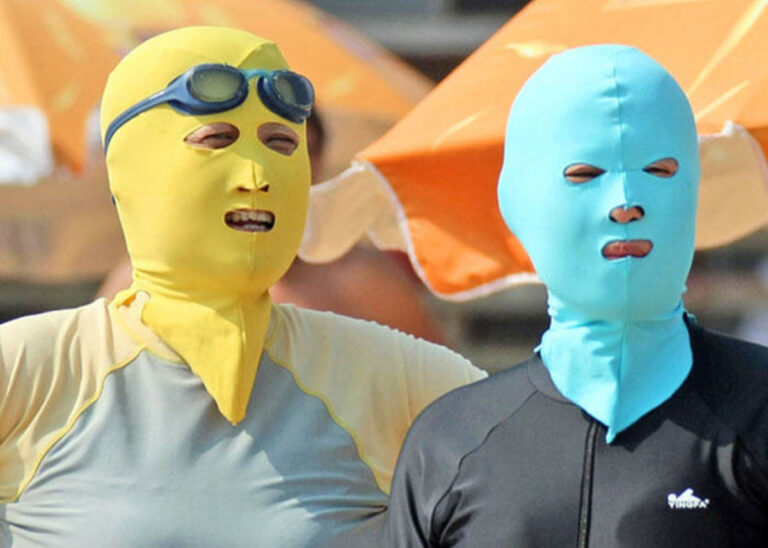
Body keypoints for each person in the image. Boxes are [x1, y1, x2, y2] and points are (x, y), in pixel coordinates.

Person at [0, 27, 485, 546]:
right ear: (132, 168)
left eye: (282, 144)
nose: (257, 175)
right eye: (217, 140)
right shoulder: (29, 369)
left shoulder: (390, 371)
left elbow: (525, 460)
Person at [384, 45, 768, 547]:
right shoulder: (450, 442)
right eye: (585, 174)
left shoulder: (759, 410)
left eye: (659, 170)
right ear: (519, 200)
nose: (626, 204)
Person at [97, 109, 448, 344]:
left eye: (285, 146)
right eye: (232, 147)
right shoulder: (143, 279)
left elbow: (440, 404)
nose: (263, 170)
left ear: (316, 163)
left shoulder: (362, 280)